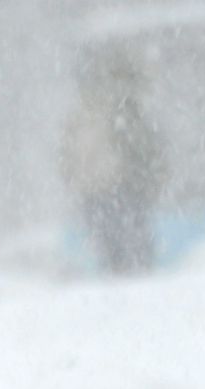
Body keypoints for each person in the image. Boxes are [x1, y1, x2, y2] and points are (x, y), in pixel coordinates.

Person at [60, 51, 165, 274]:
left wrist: (74, 181)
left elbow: (67, 158)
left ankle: (119, 281)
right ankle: (132, 283)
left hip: (97, 191)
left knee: (113, 253)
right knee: (133, 252)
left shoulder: (85, 115)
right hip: (120, 188)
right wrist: (149, 179)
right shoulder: (122, 110)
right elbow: (144, 149)